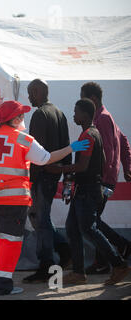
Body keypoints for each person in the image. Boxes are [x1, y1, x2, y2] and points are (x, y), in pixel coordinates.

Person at [0, 100, 89, 295]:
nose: (23, 119)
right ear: (16, 118)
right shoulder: (24, 140)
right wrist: (71, 148)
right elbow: (46, 159)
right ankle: (3, 286)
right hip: (13, 201)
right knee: (9, 240)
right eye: (22, 115)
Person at [45, 98, 130, 285]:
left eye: (76, 112)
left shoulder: (88, 136)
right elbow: (95, 162)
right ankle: (78, 272)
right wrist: (70, 184)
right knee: (73, 229)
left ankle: (119, 264)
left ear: (85, 114)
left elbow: (82, 166)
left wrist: (56, 169)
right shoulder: (93, 133)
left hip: (88, 191)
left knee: (89, 229)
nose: (73, 115)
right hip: (84, 189)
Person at [22, 79, 72, 284]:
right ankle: (63, 248)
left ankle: (46, 266)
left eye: (30, 93)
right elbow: (67, 146)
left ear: (37, 91)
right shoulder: (59, 113)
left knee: (40, 221)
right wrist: (66, 176)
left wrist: (29, 182)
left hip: (41, 177)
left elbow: (36, 153)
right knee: (41, 219)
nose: (29, 97)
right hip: (54, 176)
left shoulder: (40, 114)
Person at [80, 82, 131, 275]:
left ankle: (113, 255)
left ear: (92, 99)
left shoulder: (101, 118)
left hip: (101, 180)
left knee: (89, 222)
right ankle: (119, 247)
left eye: (82, 97)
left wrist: (98, 178)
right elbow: (124, 141)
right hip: (105, 178)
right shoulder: (105, 116)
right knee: (92, 221)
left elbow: (107, 152)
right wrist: (126, 168)